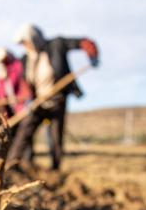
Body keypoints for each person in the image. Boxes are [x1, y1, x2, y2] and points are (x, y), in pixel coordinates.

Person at [8, 24, 99, 170]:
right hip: (38, 102)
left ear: (33, 38)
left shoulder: (56, 45)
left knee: (55, 136)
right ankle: (12, 165)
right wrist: (28, 97)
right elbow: (26, 82)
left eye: (25, 42)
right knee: (24, 131)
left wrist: (92, 55)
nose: (25, 46)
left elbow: (85, 43)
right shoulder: (26, 59)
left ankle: (55, 169)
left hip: (57, 100)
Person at [0, 47, 31, 117]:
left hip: (23, 106)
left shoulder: (16, 69)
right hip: (11, 108)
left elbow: (21, 88)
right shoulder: (2, 75)